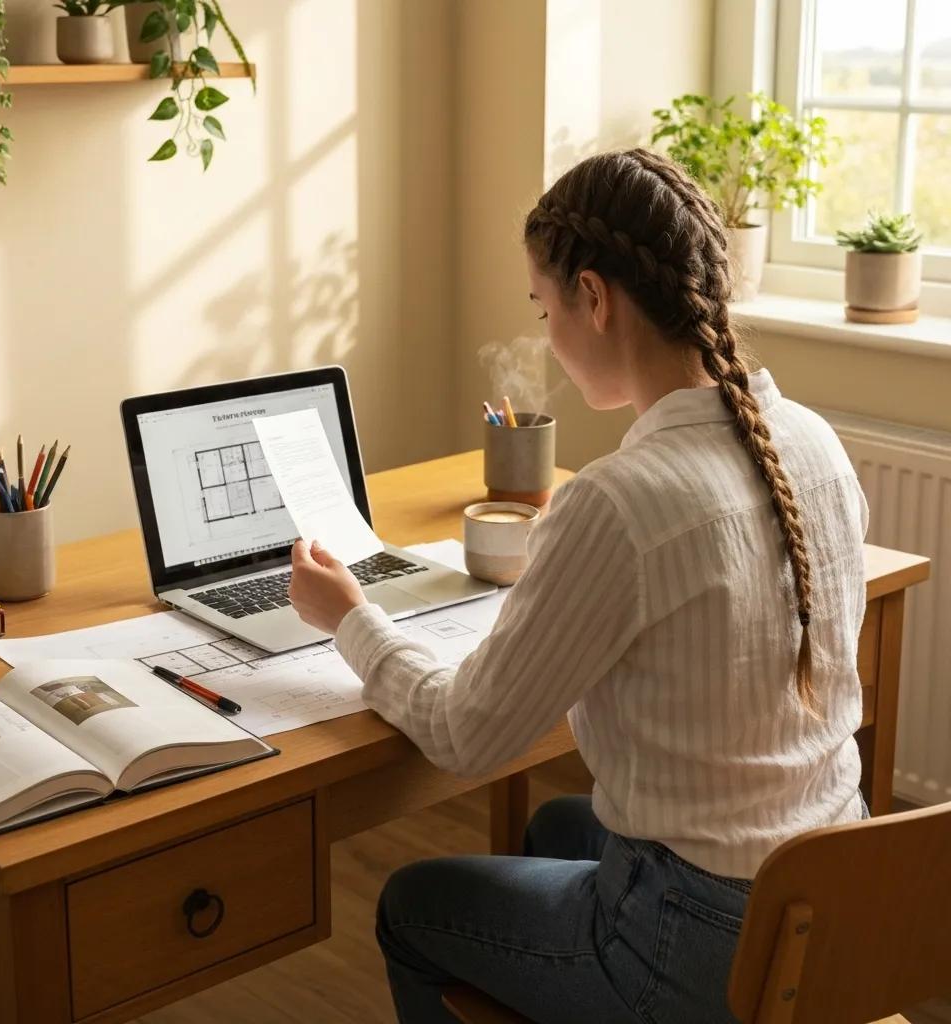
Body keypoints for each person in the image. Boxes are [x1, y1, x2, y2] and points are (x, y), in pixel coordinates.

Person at [287, 148, 869, 1024]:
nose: (546, 334)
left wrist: (351, 619)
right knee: (562, 830)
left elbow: (464, 734)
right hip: (829, 894)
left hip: (704, 941)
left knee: (411, 906)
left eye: (544, 306)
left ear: (594, 298)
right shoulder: (813, 443)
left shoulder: (620, 501)